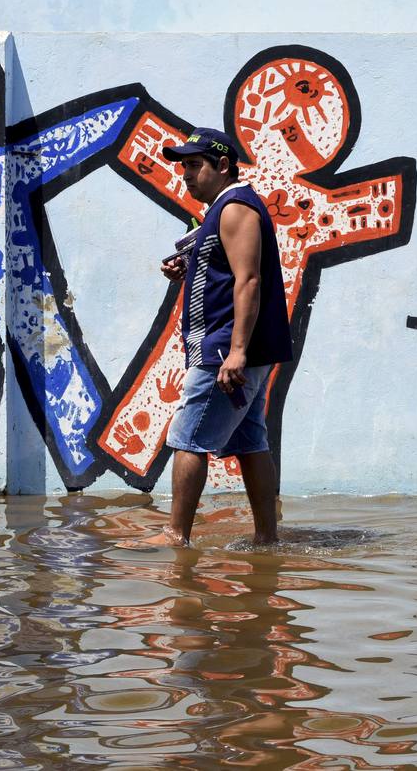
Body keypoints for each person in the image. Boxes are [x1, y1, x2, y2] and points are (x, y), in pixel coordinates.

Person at [147, 127, 294, 547]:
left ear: (223, 165)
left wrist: (237, 352)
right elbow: (228, 273)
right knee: (249, 441)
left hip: (225, 349)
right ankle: (267, 539)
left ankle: (176, 535)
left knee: (188, 439)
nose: (186, 175)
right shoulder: (221, 209)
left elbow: (248, 281)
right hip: (232, 347)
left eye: (195, 165)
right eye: (184, 167)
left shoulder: (234, 208)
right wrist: (188, 270)